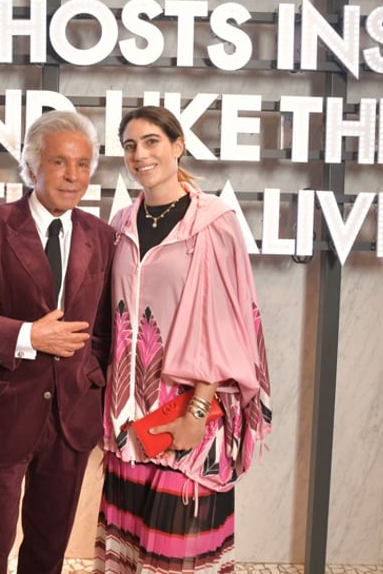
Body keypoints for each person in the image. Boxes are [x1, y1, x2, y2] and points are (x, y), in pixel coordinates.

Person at [95, 106, 272, 573]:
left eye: (152, 141)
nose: (140, 154)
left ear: (177, 146)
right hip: (129, 420)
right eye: (130, 145)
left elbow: (225, 324)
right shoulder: (120, 224)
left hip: (191, 410)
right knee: (130, 548)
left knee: (177, 555)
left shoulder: (212, 222)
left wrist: (197, 413)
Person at [0, 110, 116, 574]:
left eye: (83, 165)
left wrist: (91, 377)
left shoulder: (102, 237)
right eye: (60, 162)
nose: (73, 176)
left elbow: (102, 329)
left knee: (48, 548)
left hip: (72, 418)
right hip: (1, 410)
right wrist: (26, 335)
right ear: (31, 165)